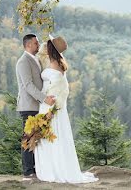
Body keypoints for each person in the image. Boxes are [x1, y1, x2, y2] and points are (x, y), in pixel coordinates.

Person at [33, 35, 99, 184]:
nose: (45, 46)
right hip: (49, 104)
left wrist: (50, 108)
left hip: (50, 106)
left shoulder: (55, 65)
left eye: (48, 45)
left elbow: (59, 91)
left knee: (50, 136)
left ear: (51, 49)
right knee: (51, 136)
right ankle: (54, 167)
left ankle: (53, 169)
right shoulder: (57, 63)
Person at [15, 33, 56, 181]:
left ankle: (35, 170)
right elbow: (28, 86)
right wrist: (44, 99)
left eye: (38, 43)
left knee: (34, 138)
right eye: (36, 43)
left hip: (36, 105)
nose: (38, 45)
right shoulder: (23, 62)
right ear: (28, 45)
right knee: (28, 138)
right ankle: (27, 172)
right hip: (28, 105)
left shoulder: (36, 59)